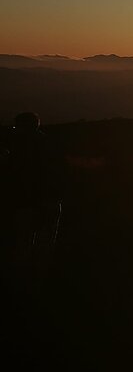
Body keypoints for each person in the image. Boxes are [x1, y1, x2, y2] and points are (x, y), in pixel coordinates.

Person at [4, 112, 63, 273]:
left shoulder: (20, 150)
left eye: (16, 127)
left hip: (29, 202)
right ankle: (39, 276)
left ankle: (22, 279)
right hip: (50, 200)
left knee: (24, 242)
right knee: (45, 243)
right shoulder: (50, 144)